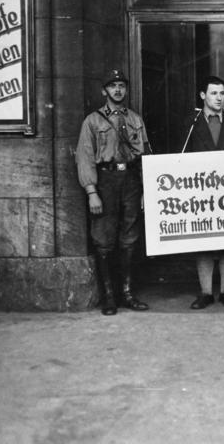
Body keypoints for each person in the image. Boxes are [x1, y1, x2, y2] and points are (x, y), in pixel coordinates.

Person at [76, 69, 150, 315]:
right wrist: (91, 191)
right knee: (104, 240)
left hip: (130, 179)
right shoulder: (93, 121)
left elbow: (144, 156)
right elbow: (85, 157)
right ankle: (109, 297)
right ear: (104, 91)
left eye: (121, 85)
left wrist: (144, 189)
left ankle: (127, 293)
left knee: (130, 237)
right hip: (105, 180)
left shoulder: (135, 119)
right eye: (112, 86)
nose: (118, 90)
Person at [183, 76, 224, 309]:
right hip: (200, 193)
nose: (219, 98)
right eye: (214, 93)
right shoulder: (191, 122)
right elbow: (179, 158)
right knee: (203, 240)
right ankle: (204, 292)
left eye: (222, 94)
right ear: (203, 96)